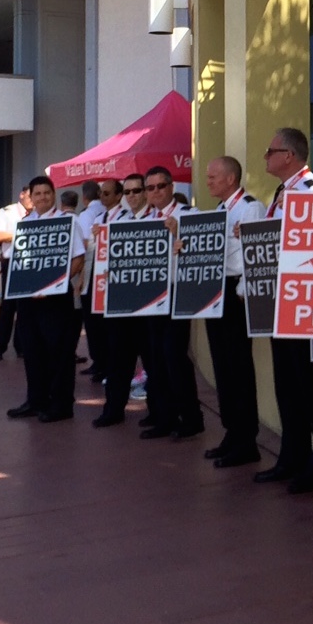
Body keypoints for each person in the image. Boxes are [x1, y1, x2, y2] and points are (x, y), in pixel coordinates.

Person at [255, 127, 313, 489]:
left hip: (303, 306)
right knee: (287, 386)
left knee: (307, 387)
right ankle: (292, 456)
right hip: (278, 302)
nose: (265, 157)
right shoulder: (284, 192)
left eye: (270, 151)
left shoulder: (312, 191)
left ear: (288, 156)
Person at [201, 156, 267, 467]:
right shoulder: (219, 210)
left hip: (236, 294)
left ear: (230, 179)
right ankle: (232, 431)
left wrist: (243, 291)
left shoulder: (250, 208)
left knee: (238, 367)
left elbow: (255, 253)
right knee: (222, 365)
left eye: (213, 177)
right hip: (217, 292)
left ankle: (246, 439)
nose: (208, 182)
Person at [6, 175, 86, 423]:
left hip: (55, 298)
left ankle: (61, 405)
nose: (42, 197)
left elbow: (79, 258)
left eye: (47, 193)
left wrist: (55, 283)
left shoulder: (68, 222)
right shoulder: (24, 224)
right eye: (37, 194)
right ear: (30, 197)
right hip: (28, 298)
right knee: (32, 351)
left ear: (54, 195)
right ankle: (36, 400)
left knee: (59, 352)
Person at [139, 165, 203, 441]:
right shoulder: (145, 220)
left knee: (174, 356)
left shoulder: (189, 215)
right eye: (150, 188)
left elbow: (203, 253)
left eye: (160, 186)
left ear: (171, 187)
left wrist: (179, 234)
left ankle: (191, 418)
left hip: (178, 293)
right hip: (152, 295)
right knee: (155, 357)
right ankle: (164, 416)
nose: (155, 192)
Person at [94, 173, 152, 428]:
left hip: (150, 303)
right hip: (121, 302)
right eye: (127, 192)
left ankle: (158, 413)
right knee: (118, 358)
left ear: (145, 192)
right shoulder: (117, 221)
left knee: (152, 361)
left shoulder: (159, 219)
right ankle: (113, 410)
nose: (132, 196)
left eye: (136, 191)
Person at [0, 187, 33, 360]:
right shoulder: (7, 212)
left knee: (26, 307)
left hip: (30, 264)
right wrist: (22, 235)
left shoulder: (38, 215)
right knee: (8, 307)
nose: (32, 200)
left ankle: (21, 346)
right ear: (22, 195)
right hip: (12, 262)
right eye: (30, 196)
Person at [77, 180, 109, 381]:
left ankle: (99, 363)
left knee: (93, 323)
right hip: (106, 276)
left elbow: (84, 246)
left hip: (92, 275)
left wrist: (80, 278)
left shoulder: (86, 215)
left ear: (84, 197)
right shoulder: (104, 214)